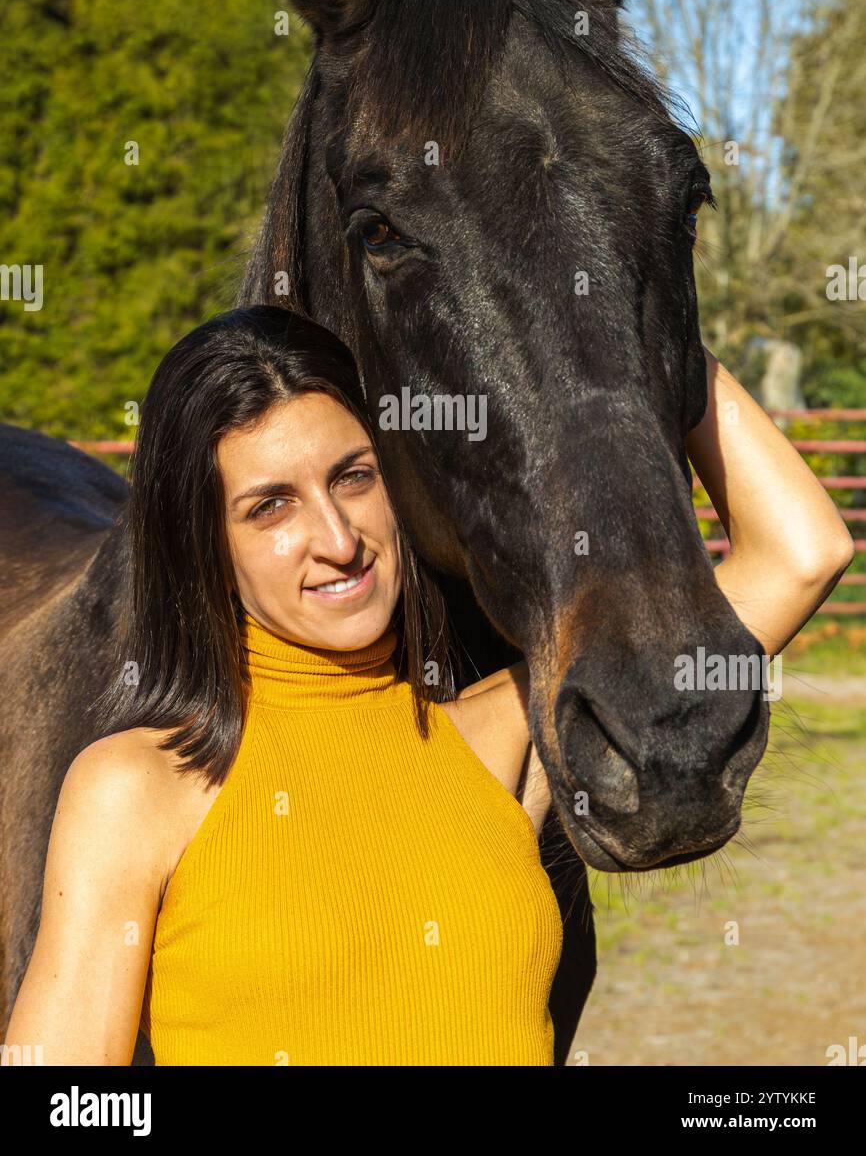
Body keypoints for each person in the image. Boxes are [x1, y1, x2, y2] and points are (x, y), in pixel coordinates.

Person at [4, 307, 852, 1066]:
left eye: (354, 477)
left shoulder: (505, 730)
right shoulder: (135, 788)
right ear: (204, 545)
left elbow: (802, 552)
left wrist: (643, 321)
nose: (337, 538)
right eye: (271, 507)